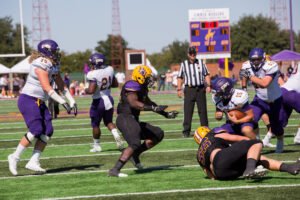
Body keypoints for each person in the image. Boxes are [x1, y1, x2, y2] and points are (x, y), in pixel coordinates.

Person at [7, 39, 78, 176]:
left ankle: (33, 161)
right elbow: (47, 87)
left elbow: (61, 85)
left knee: (48, 131)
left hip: (40, 102)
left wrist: (72, 100)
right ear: (47, 52)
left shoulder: (53, 65)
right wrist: (63, 102)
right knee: (36, 129)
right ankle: (14, 157)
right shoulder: (41, 63)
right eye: (54, 51)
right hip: (28, 99)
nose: (57, 54)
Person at [108, 65, 178, 177]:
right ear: (140, 77)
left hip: (133, 120)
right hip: (125, 118)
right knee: (135, 143)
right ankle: (115, 169)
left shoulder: (142, 88)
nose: (150, 79)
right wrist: (153, 108)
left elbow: (150, 103)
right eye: (148, 77)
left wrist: (165, 114)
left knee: (158, 134)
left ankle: (135, 155)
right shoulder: (131, 85)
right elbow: (134, 103)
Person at [194, 126, 300, 180]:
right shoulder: (212, 135)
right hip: (221, 158)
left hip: (222, 174)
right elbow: (236, 138)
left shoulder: (199, 155)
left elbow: (210, 174)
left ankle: (291, 168)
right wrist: (250, 144)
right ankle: (250, 169)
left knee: (256, 158)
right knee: (256, 143)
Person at [239, 47, 284, 153]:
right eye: (253, 60)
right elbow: (243, 77)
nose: (255, 62)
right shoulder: (246, 65)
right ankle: (257, 141)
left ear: (263, 58)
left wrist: (249, 76)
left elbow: (264, 83)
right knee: (250, 119)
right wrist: (244, 89)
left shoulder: (271, 65)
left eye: (258, 59)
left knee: (276, 127)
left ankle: (280, 140)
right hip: (259, 99)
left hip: (275, 100)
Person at [85, 52, 125, 152]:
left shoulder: (92, 74)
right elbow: (115, 84)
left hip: (98, 101)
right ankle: (116, 135)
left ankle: (97, 146)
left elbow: (91, 90)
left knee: (95, 125)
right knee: (109, 122)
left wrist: (85, 90)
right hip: (109, 98)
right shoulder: (110, 69)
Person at [262, 62, 300, 146]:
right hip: (291, 92)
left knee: (280, 122)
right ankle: (298, 137)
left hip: (282, 91)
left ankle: (265, 140)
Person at [177, 46, 211, 138]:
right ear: (188, 54)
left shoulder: (201, 63)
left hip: (200, 89)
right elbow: (180, 77)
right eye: (191, 53)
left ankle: (205, 129)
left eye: (194, 53)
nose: (193, 55)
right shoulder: (184, 64)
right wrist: (179, 89)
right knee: (188, 111)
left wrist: (208, 85)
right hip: (189, 89)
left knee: (203, 111)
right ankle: (186, 131)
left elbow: (206, 74)